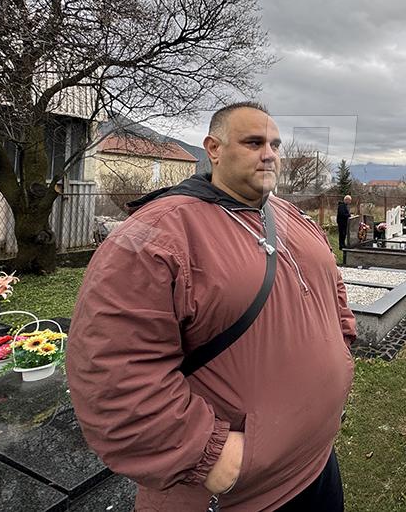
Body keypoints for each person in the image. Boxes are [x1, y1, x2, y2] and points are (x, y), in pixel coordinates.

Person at [67, 102, 356, 512]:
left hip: (318, 464)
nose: (270, 154)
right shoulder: (156, 234)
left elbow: (331, 286)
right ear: (214, 149)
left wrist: (341, 351)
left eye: (274, 144)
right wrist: (207, 454)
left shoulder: (289, 214)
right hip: (243, 494)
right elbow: (110, 371)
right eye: (253, 142)